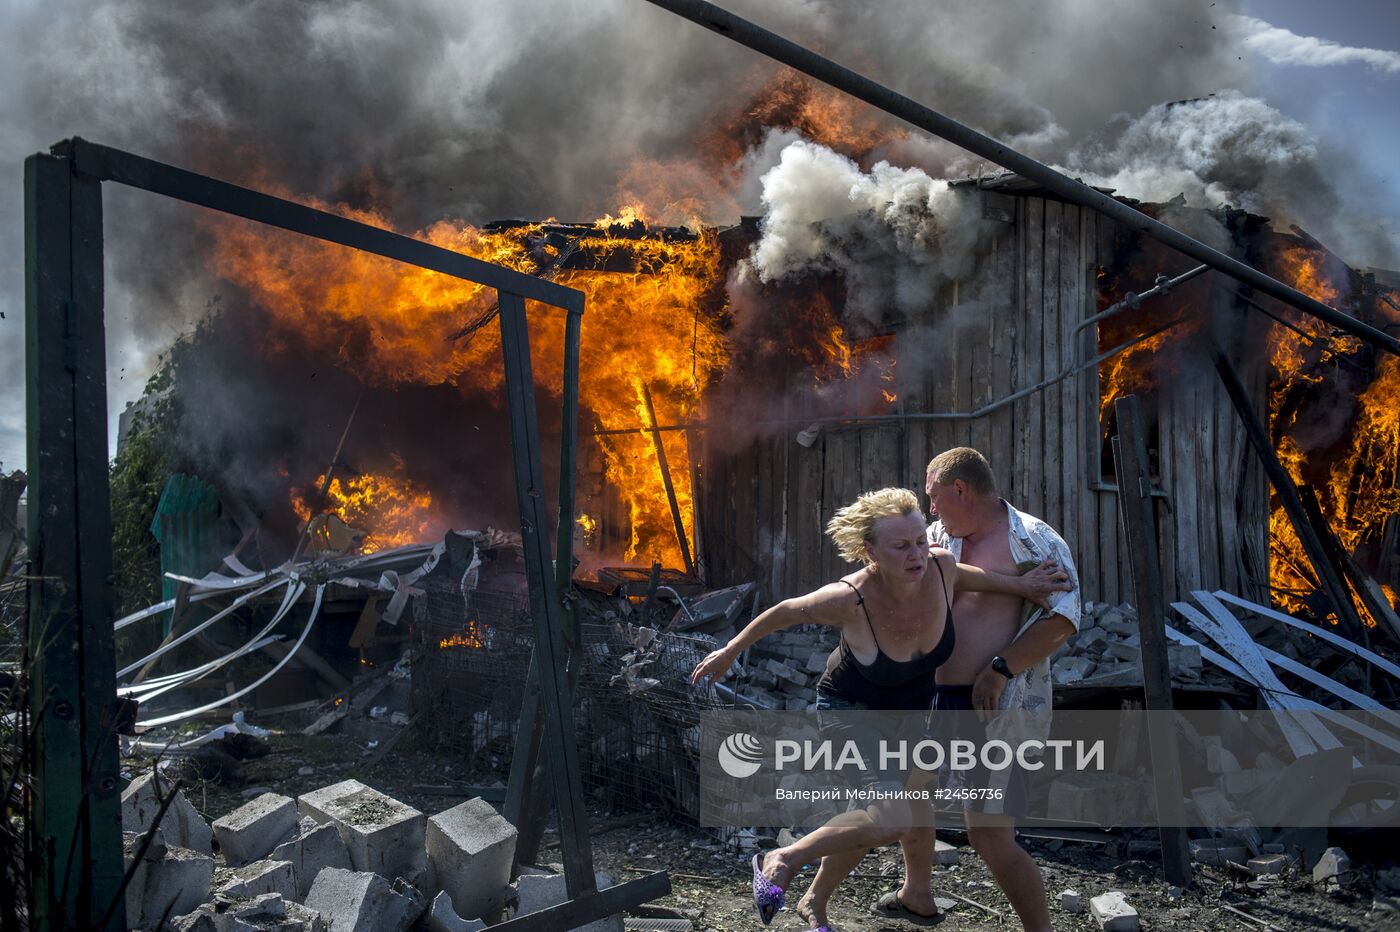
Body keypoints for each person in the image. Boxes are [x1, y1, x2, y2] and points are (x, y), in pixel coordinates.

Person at [690, 487, 1070, 930]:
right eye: (901, 546)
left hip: (912, 714)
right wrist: (730, 651)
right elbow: (785, 611)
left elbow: (973, 577)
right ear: (871, 552)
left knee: (893, 811)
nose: (917, 554)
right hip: (852, 711)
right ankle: (783, 858)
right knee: (889, 818)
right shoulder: (848, 598)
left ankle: (835, 900)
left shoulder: (940, 567)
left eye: (920, 541)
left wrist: (1021, 585)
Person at [922, 447, 1081, 932]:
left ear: (960, 489)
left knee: (989, 834)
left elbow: (1065, 617)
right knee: (907, 804)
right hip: (935, 702)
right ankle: (915, 894)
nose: (930, 508)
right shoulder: (938, 536)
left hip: (995, 708)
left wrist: (1000, 669)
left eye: (934, 497)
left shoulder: (1033, 540)